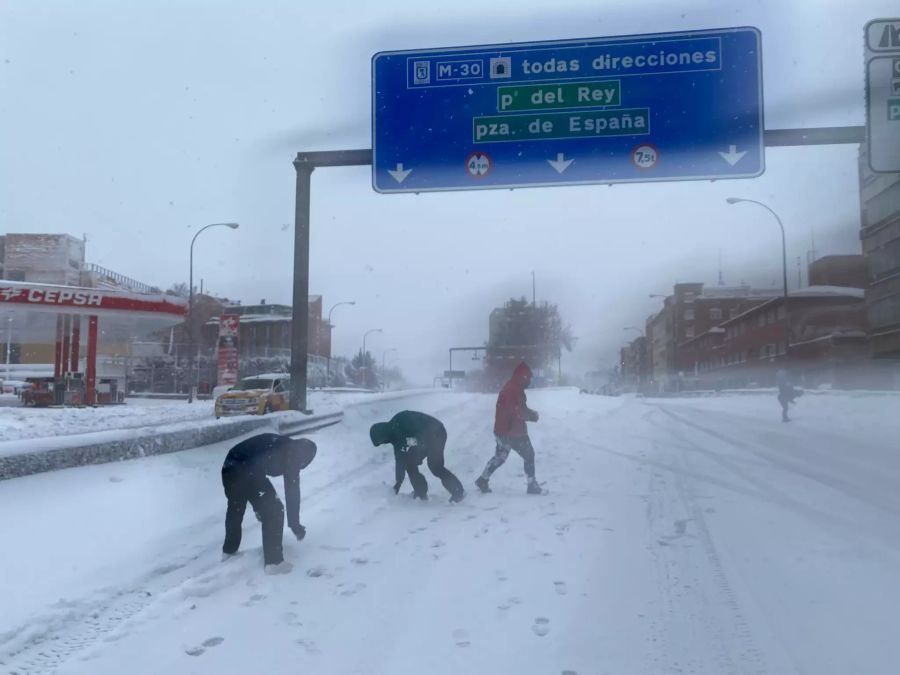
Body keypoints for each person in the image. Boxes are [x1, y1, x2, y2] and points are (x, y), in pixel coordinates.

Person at [221, 433, 317, 574]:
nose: (301, 467)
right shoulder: (294, 455)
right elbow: (292, 492)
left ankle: (229, 551)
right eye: (304, 464)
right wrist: (295, 525)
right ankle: (274, 562)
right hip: (245, 469)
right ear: (305, 457)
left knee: (236, 507)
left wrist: (259, 508)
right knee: (275, 510)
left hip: (230, 467)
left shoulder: (287, 446)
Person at [476, 362, 544, 495]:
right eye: (528, 378)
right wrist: (532, 416)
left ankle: (483, 479)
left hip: (503, 430)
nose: (529, 381)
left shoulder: (512, 387)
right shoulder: (513, 390)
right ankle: (531, 485)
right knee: (529, 455)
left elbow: (516, 409)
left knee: (500, 457)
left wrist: (528, 414)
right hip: (514, 432)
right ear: (522, 377)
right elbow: (517, 411)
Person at [369, 410, 465, 503]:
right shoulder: (394, 435)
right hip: (426, 438)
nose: (383, 443)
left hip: (437, 433)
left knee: (435, 465)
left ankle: (458, 491)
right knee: (409, 462)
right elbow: (400, 460)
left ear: (382, 435)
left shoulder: (398, 424)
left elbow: (418, 437)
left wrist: (413, 448)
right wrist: (398, 482)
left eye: (380, 442)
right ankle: (420, 492)